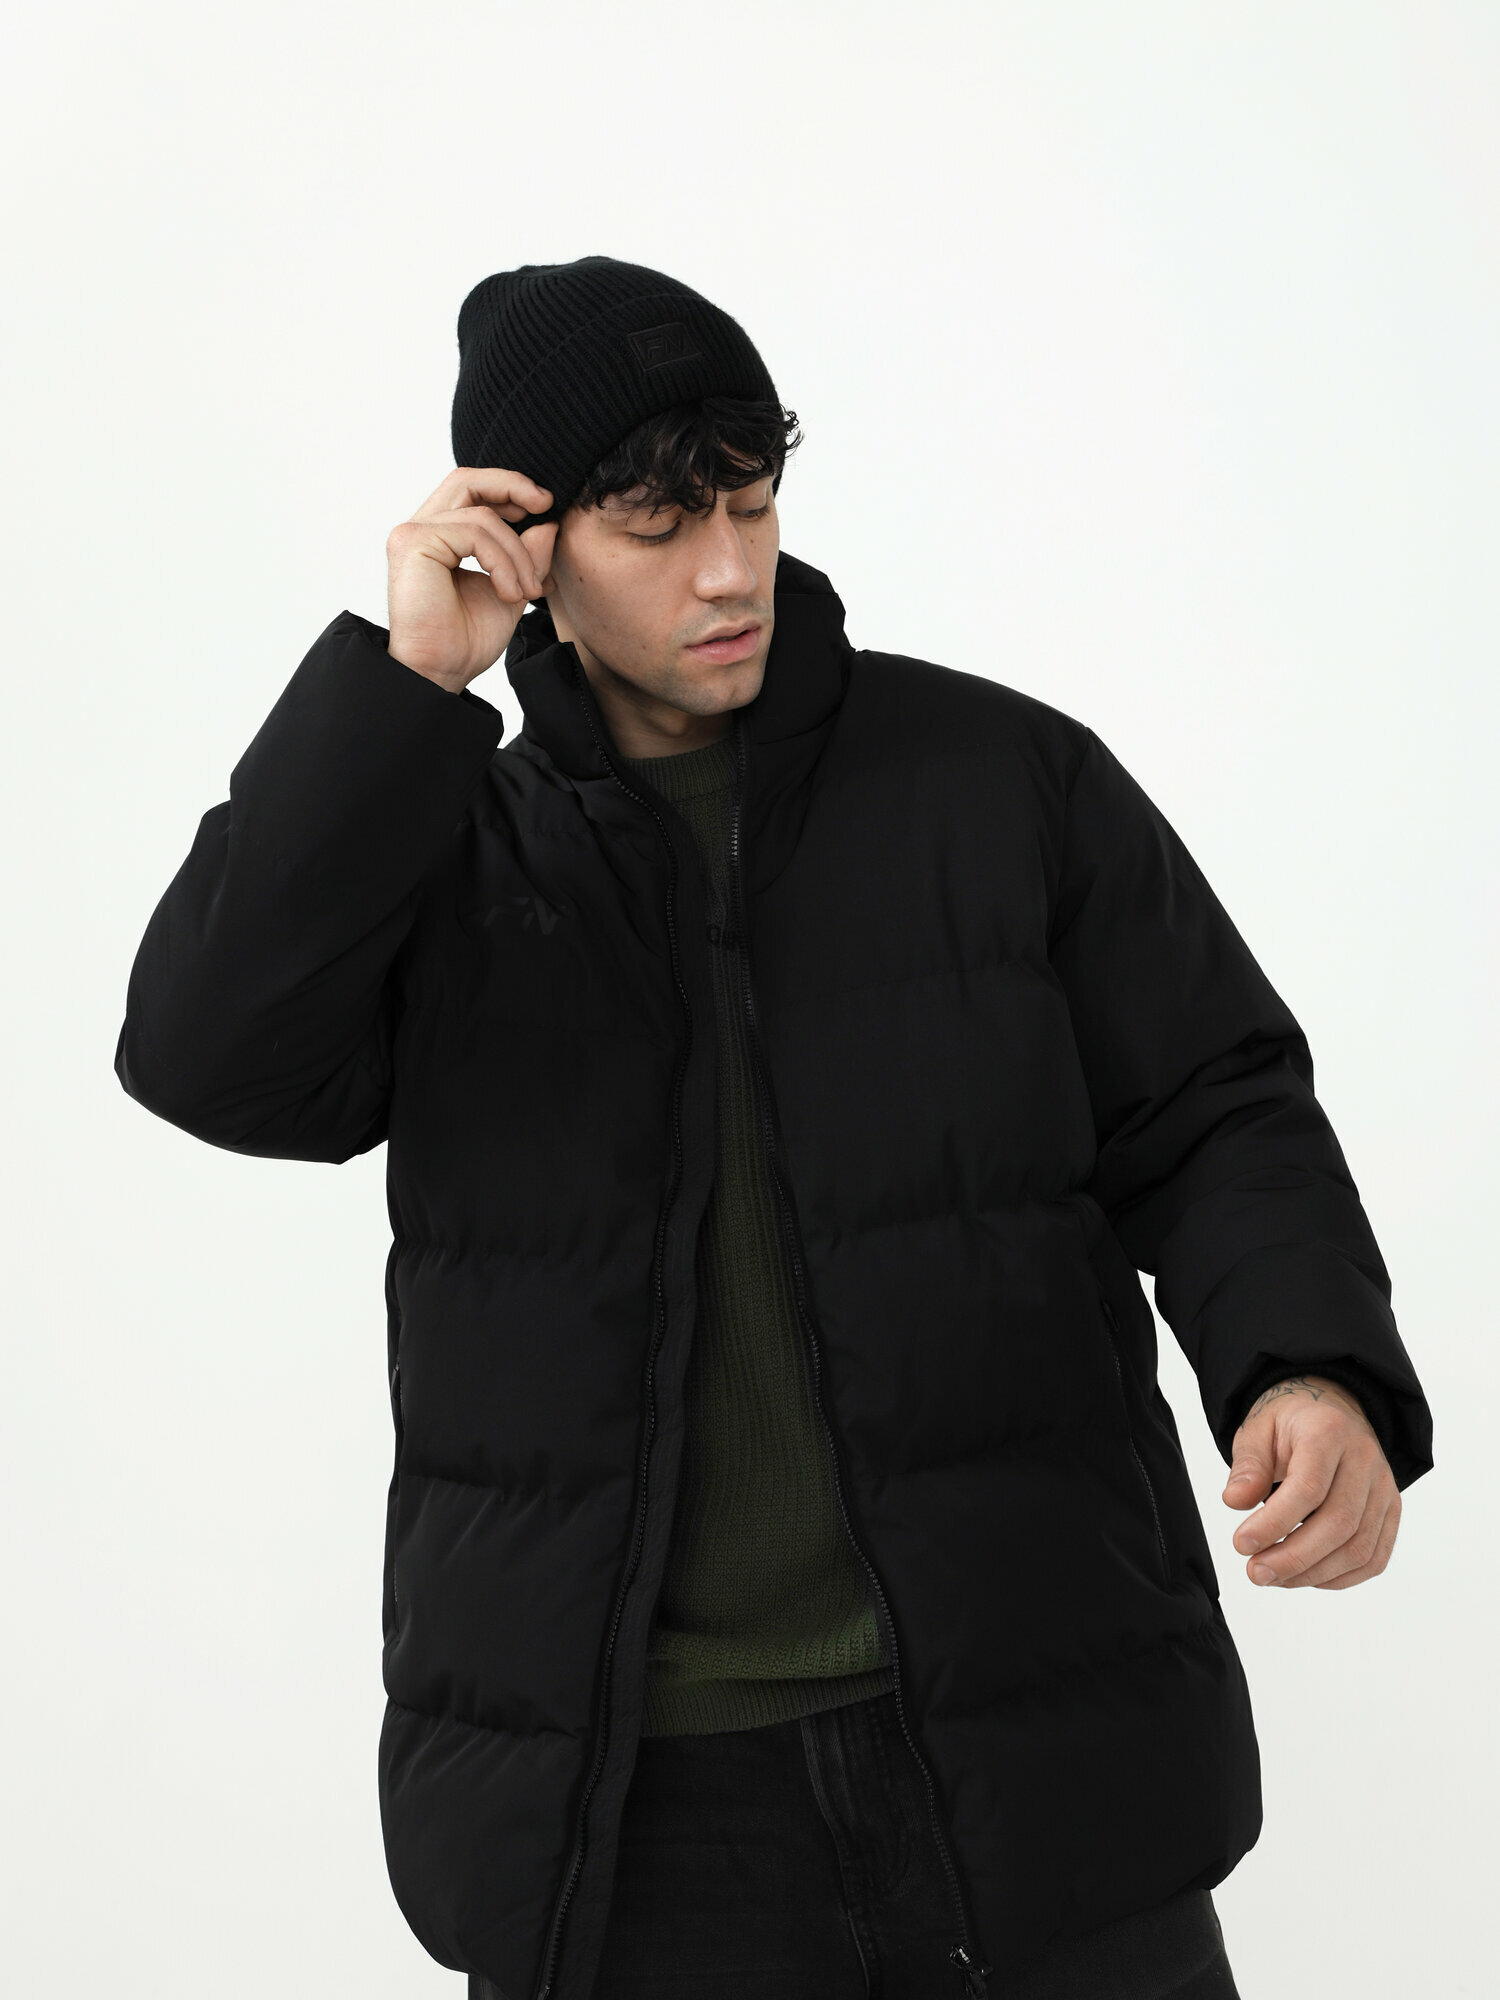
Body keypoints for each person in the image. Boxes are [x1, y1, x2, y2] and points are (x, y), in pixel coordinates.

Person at [114, 255, 1434, 2000]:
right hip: (628, 1809)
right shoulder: (440, 849)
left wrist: (1309, 1366)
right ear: (525, 541)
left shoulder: (1003, 781)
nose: (730, 568)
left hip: (1029, 1732)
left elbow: (1215, 1106)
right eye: (658, 524)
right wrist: (404, 683)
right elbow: (211, 1062)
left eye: (748, 501)